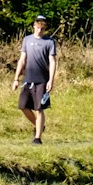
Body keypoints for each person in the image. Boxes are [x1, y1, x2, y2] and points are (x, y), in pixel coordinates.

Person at [13, 15, 57, 144]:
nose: (39, 30)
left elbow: (52, 61)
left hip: (42, 79)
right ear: (34, 26)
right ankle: (39, 126)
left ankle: (37, 138)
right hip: (28, 79)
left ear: (45, 28)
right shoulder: (27, 40)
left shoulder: (50, 42)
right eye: (37, 27)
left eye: (42, 28)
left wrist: (51, 80)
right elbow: (22, 59)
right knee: (23, 106)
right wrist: (16, 78)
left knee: (39, 108)